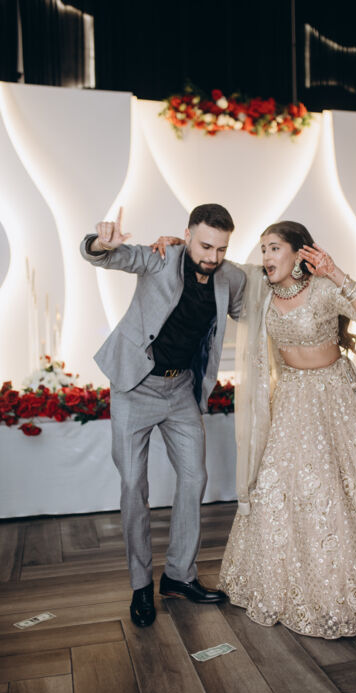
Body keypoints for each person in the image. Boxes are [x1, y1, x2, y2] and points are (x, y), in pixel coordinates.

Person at [214, 221, 356, 637]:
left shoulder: (324, 289)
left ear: (299, 254)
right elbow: (222, 270)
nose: (266, 256)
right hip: (291, 398)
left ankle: (350, 585)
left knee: (338, 485)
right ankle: (286, 583)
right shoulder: (261, 294)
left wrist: (335, 272)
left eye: (274, 248)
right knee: (278, 484)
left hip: (333, 398)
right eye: (263, 249)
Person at [80, 203, 246, 627]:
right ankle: (141, 585)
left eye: (221, 249)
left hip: (180, 390)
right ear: (187, 235)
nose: (212, 256)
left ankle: (178, 576)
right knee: (133, 485)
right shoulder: (160, 257)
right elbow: (106, 257)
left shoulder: (230, 277)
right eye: (205, 246)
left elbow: (256, 306)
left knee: (194, 477)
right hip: (135, 387)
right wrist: (101, 243)